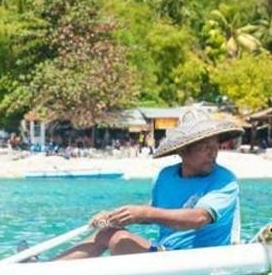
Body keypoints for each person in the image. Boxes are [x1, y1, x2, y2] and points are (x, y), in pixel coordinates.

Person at [55, 109, 242, 260]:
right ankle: (48, 270)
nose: (213, 153)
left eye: (215, 146)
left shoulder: (225, 180)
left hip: (202, 259)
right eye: (204, 148)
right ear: (183, 151)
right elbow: (156, 211)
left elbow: (199, 218)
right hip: (166, 253)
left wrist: (144, 213)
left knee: (119, 239)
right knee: (107, 232)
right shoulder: (165, 176)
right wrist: (115, 216)